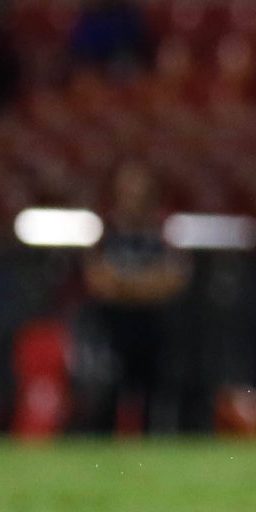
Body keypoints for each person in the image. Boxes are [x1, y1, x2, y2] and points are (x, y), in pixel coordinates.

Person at [80, 162, 191, 435]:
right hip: (112, 328)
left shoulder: (163, 233)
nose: (133, 195)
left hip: (154, 327)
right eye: (127, 189)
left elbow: (174, 279)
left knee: (157, 396)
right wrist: (145, 283)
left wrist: (125, 285)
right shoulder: (106, 232)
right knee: (107, 395)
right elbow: (98, 280)